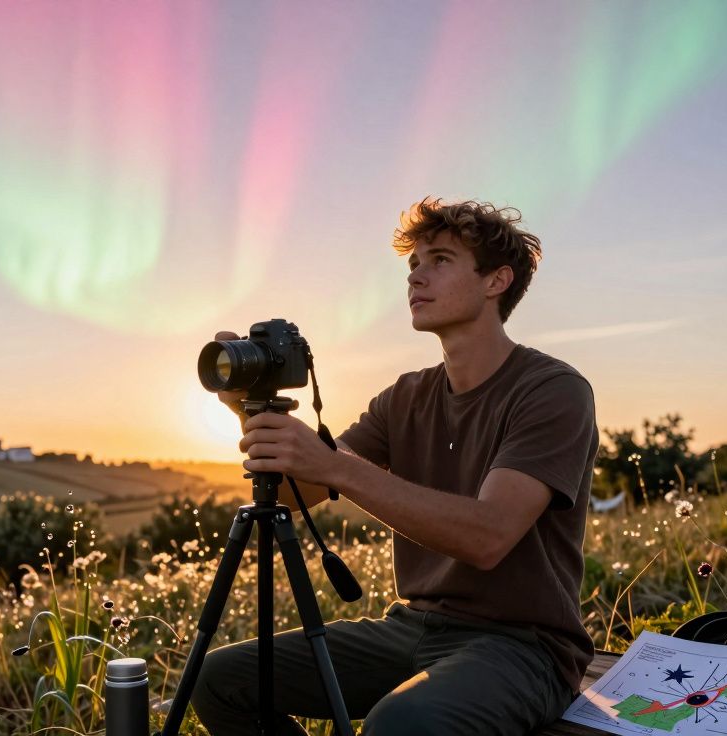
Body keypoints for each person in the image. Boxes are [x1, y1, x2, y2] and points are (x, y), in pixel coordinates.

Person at [191, 197, 600, 735]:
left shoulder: (552, 391)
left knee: (400, 723)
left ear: (496, 281)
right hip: (409, 627)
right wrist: (247, 410)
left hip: (522, 646)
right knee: (219, 678)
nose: (415, 278)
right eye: (412, 265)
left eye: (440, 260)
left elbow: (489, 536)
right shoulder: (404, 397)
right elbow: (296, 495)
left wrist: (337, 466)